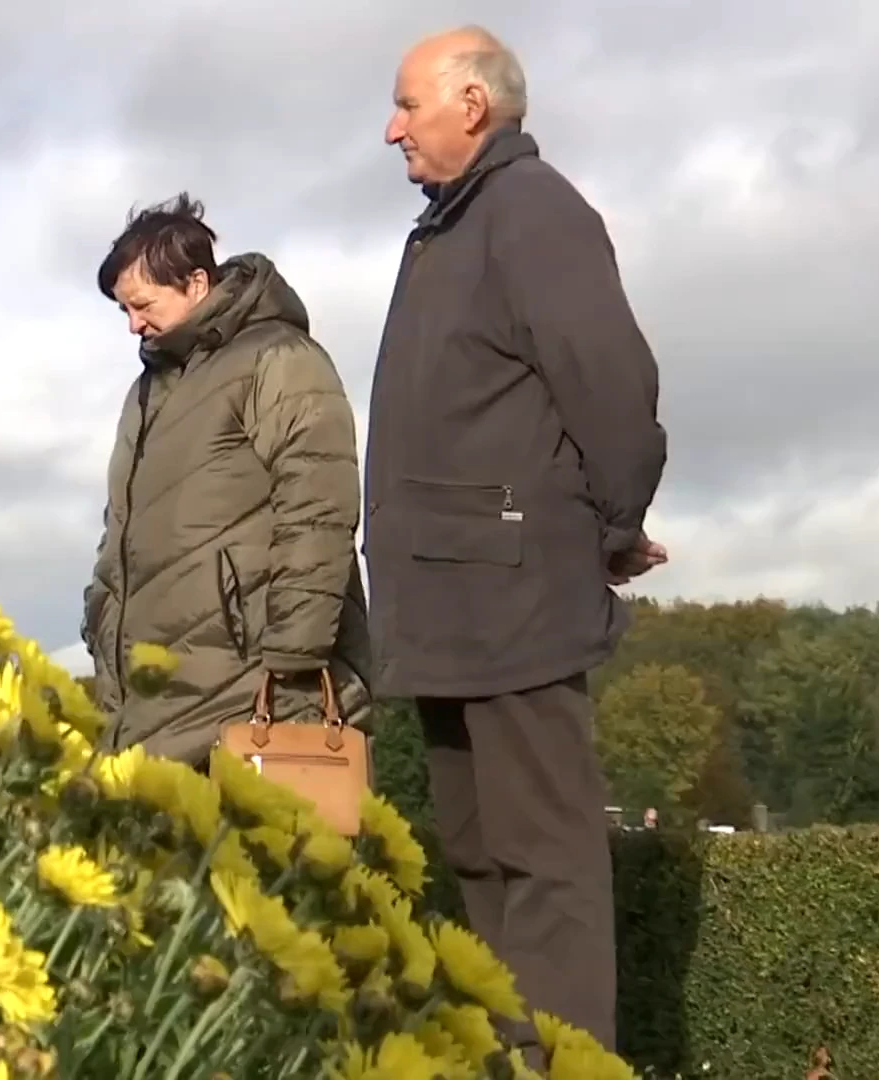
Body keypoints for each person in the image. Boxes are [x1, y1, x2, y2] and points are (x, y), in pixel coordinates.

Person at [362, 25, 670, 1064]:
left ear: (472, 105)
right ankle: (510, 1063)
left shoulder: (533, 212)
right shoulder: (450, 226)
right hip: (454, 606)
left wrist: (612, 527)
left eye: (407, 105)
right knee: (483, 861)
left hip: (514, 601)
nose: (390, 127)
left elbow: (613, 388)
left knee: (546, 870)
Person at [80, 193, 374, 767]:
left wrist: (295, 658)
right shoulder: (147, 393)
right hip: (154, 702)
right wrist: (101, 623)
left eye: (142, 304)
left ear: (195, 283)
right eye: (124, 312)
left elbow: (318, 504)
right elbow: (121, 529)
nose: (134, 325)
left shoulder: (280, 359)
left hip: (258, 691)